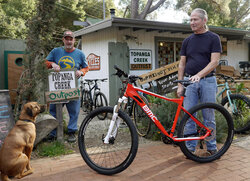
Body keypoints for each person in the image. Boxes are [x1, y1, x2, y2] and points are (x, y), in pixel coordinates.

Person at [177, 8, 222, 155]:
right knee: (189, 116)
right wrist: (180, 84)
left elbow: (214, 62)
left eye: (195, 19)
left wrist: (199, 75)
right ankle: (190, 149)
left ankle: (211, 147)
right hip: (189, 82)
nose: (192, 22)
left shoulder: (213, 38)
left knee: (209, 115)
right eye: (190, 20)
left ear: (204, 20)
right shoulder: (187, 41)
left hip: (208, 81)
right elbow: (182, 64)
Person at [45, 30, 88, 142]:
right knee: (53, 111)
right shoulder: (55, 51)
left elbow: (86, 67)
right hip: (57, 88)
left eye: (71, 39)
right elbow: (46, 62)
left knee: (74, 112)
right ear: (63, 40)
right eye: (66, 39)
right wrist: (52, 64)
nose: (69, 41)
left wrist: (81, 72)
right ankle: (53, 133)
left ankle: (71, 132)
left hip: (73, 88)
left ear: (74, 40)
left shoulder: (80, 53)